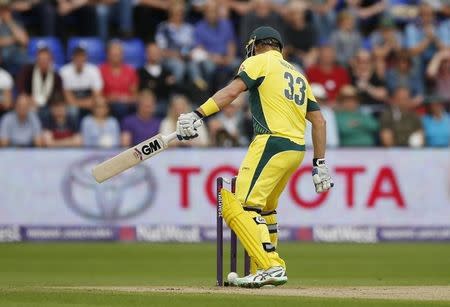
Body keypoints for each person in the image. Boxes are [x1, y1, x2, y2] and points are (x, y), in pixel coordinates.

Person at [175, 26, 333, 287]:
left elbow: (231, 92)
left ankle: (269, 267)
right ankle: (270, 265)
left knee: (239, 205)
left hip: (271, 142)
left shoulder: (258, 61)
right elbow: (318, 120)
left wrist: (198, 114)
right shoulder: (298, 73)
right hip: (295, 149)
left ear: (257, 44)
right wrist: (320, 162)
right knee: (266, 208)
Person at [192, 0, 238, 92]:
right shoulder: (199, 27)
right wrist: (215, 58)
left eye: (214, 11)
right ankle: (208, 92)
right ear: (205, 13)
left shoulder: (226, 24)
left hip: (225, 57)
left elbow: (231, 43)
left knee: (239, 64)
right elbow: (199, 49)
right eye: (210, 12)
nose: (212, 14)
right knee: (209, 67)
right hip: (210, 58)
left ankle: (232, 91)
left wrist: (229, 58)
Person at [155, 2, 197, 86]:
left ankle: (198, 92)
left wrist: (189, 54)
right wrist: (178, 55)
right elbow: (161, 51)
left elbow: (193, 47)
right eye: (177, 13)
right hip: (168, 59)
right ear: (170, 14)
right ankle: (175, 92)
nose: (179, 15)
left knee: (194, 67)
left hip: (186, 58)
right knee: (179, 66)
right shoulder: (163, 28)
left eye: (181, 13)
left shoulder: (189, 28)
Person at [16, 45, 63, 121]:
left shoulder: (56, 76)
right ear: (36, 59)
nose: (43, 62)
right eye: (41, 59)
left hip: (49, 106)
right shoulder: (27, 71)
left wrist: (50, 103)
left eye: (46, 59)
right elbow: (21, 91)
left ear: (51, 60)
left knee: (62, 110)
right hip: (30, 104)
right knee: (24, 103)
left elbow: (58, 96)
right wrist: (31, 100)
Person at [60, 45, 103, 121]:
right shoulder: (64, 71)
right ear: (72, 58)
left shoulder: (94, 70)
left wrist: (81, 103)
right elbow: (68, 99)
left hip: (90, 104)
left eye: (82, 56)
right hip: (74, 106)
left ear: (86, 58)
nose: (79, 59)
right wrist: (85, 103)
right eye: (77, 57)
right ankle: (75, 131)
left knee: (100, 106)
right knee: (72, 110)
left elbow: (96, 95)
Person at [99, 40, 138, 121]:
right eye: (113, 55)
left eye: (118, 54)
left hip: (127, 104)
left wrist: (125, 99)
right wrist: (109, 98)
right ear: (108, 55)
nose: (116, 57)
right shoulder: (100, 70)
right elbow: (98, 95)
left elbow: (135, 95)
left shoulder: (130, 70)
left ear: (122, 55)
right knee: (119, 108)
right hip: (108, 105)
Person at [138, 43, 176, 111]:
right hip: (147, 104)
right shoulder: (141, 72)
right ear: (146, 54)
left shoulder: (167, 71)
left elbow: (171, 88)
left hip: (165, 103)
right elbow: (145, 88)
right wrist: (164, 83)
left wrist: (155, 84)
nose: (154, 54)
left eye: (156, 52)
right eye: (152, 52)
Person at [283, 1, 318, 69]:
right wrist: (300, 55)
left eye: (297, 13)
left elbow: (314, 49)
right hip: (292, 60)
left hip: (307, 59)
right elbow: (288, 49)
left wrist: (307, 57)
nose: (295, 16)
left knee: (310, 60)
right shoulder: (287, 29)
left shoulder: (310, 29)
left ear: (303, 14)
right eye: (293, 14)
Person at [304, 83, 339, 147]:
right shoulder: (301, 111)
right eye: (313, 99)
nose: (315, 102)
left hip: (326, 150)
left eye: (318, 99)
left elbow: (333, 138)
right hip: (304, 149)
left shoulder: (328, 112)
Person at [0, 0, 29, 74]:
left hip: (18, 53)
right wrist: (14, 39)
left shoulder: (16, 23)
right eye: (2, 10)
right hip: (4, 54)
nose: (5, 13)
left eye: (7, 11)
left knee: (29, 60)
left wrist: (9, 22)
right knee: (6, 54)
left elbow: (25, 41)